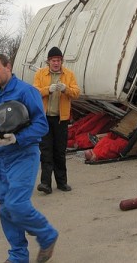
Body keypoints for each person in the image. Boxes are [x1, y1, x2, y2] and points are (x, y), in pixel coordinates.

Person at [0, 54, 58, 263]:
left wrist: (17, 138)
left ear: (8, 67)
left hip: (24, 155)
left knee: (16, 204)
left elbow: (42, 125)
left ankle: (47, 235)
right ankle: (19, 255)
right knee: (5, 208)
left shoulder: (26, 91)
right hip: (3, 160)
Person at [33, 47, 80, 194]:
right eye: (53, 60)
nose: (56, 63)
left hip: (61, 120)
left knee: (59, 152)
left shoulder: (69, 74)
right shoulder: (40, 74)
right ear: (48, 61)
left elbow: (76, 93)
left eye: (58, 60)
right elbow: (34, 92)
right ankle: (45, 184)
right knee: (46, 151)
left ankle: (62, 183)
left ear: (62, 61)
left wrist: (66, 89)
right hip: (45, 119)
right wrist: (48, 89)